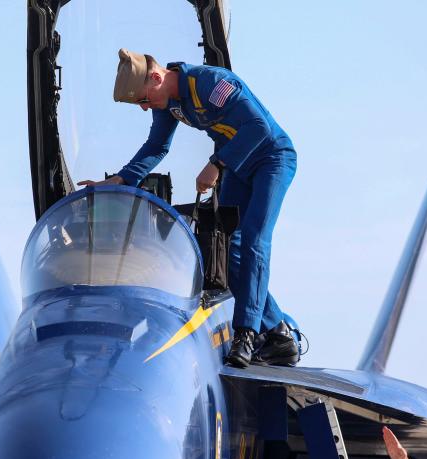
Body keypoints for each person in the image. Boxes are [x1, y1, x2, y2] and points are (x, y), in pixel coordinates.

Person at [78, 49, 300, 367]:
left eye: (143, 99)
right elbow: (156, 146)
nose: (144, 107)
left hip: (271, 159)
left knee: (253, 240)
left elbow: (257, 128)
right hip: (237, 167)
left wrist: (216, 164)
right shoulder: (169, 104)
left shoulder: (211, 83)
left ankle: (246, 336)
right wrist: (119, 180)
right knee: (228, 250)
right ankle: (277, 333)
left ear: (156, 77)